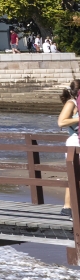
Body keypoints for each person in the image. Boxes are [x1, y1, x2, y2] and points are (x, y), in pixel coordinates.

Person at [59, 82, 78, 213]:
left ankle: (69, 207)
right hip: (75, 143)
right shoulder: (72, 103)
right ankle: (67, 206)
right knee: (74, 174)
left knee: (75, 175)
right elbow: (61, 122)